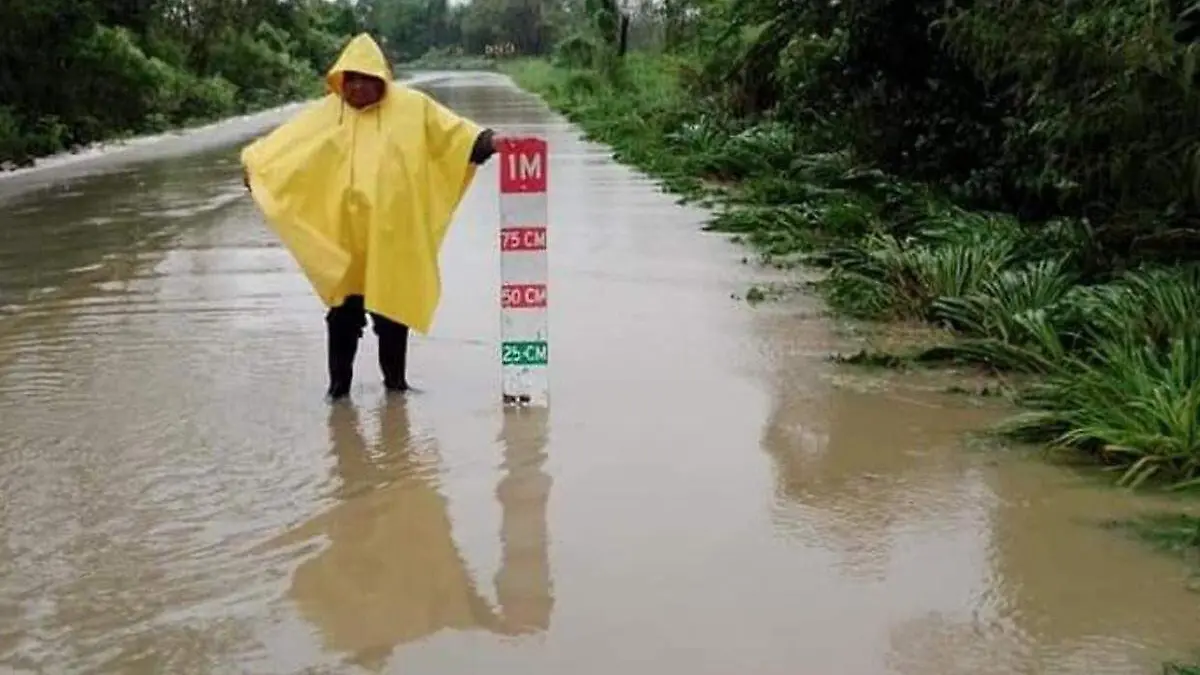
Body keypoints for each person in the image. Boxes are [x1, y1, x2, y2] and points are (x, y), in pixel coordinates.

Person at [241, 33, 505, 401]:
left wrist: (491, 142)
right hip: (343, 241)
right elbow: (280, 151)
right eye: (352, 79)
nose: (360, 88)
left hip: (392, 236)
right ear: (341, 81)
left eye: (368, 79)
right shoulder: (325, 115)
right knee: (342, 318)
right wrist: (256, 171)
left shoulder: (414, 108)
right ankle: (338, 394)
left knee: (392, 313)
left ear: (382, 79)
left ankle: (395, 389)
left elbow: (454, 136)